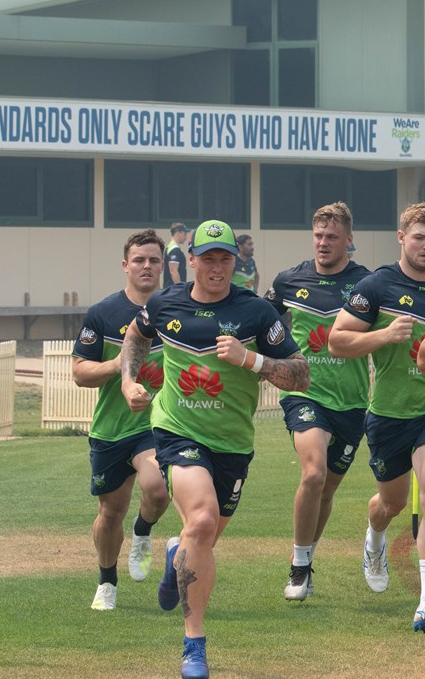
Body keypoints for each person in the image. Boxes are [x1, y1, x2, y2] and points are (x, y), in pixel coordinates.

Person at [119, 219, 307, 679]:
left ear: (234, 261)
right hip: (177, 430)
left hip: (233, 444)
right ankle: (194, 646)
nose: (218, 267)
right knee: (201, 520)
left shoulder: (256, 313)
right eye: (209, 259)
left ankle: (175, 553)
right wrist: (128, 380)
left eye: (226, 258)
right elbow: (136, 337)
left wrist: (252, 360)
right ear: (192, 260)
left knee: (202, 537)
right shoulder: (165, 303)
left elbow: (301, 373)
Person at [328, 201, 425, 633]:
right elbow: (336, 341)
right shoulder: (377, 286)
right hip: (388, 414)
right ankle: (374, 538)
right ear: (401, 238)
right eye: (420, 238)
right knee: (388, 504)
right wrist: (384, 334)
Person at [264, 202, 372, 601]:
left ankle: (307, 560)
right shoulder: (289, 280)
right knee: (313, 473)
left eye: (332, 237)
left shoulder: (367, 285)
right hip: (304, 394)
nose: (324, 243)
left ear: (349, 240)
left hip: (352, 402)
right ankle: (298, 565)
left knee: (326, 490)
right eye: (319, 236)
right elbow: (262, 320)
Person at [72, 229, 171, 611]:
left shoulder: (176, 309)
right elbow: (80, 373)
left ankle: (143, 531)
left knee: (158, 490)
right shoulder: (103, 313)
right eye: (140, 260)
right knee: (110, 512)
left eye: (154, 260)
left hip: (156, 424)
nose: (147, 266)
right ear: (125, 265)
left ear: (163, 265)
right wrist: (119, 365)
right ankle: (107, 581)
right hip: (111, 428)